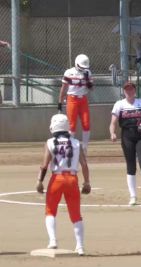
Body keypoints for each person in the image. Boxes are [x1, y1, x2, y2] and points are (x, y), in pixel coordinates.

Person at [36, 114, 91, 256]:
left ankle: (53, 240)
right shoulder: (76, 142)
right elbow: (84, 165)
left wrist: (39, 181)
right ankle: (80, 247)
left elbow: (44, 165)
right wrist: (87, 182)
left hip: (57, 179)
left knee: (50, 210)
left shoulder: (50, 142)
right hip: (72, 180)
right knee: (76, 215)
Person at [109, 82, 141, 206]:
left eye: (131, 89)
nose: (129, 92)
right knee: (131, 166)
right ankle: (133, 196)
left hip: (140, 135)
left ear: (135, 91)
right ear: (124, 92)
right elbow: (113, 122)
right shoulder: (119, 104)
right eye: (127, 90)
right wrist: (112, 133)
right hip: (127, 136)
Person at [58, 54, 93, 154]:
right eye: (82, 66)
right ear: (76, 64)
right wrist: (60, 101)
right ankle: (70, 147)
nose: (83, 69)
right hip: (72, 99)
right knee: (72, 125)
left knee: (86, 124)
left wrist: (88, 82)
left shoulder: (88, 72)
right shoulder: (69, 72)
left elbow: (92, 88)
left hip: (83, 100)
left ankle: (85, 148)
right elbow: (63, 88)